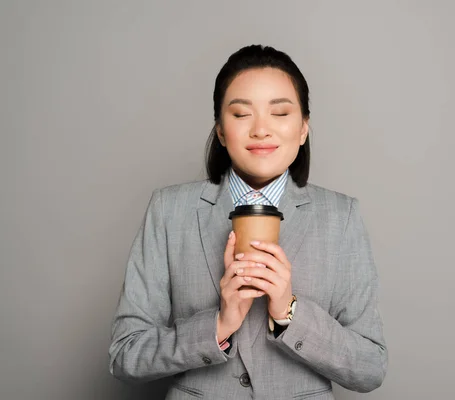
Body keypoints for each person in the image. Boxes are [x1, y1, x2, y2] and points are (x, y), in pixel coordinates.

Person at [109, 44, 387, 399]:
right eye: (241, 115)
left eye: (280, 113)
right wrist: (217, 325)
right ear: (221, 132)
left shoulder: (341, 216)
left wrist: (290, 312)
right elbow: (124, 355)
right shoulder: (168, 210)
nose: (260, 130)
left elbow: (370, 367)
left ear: (303, 129)